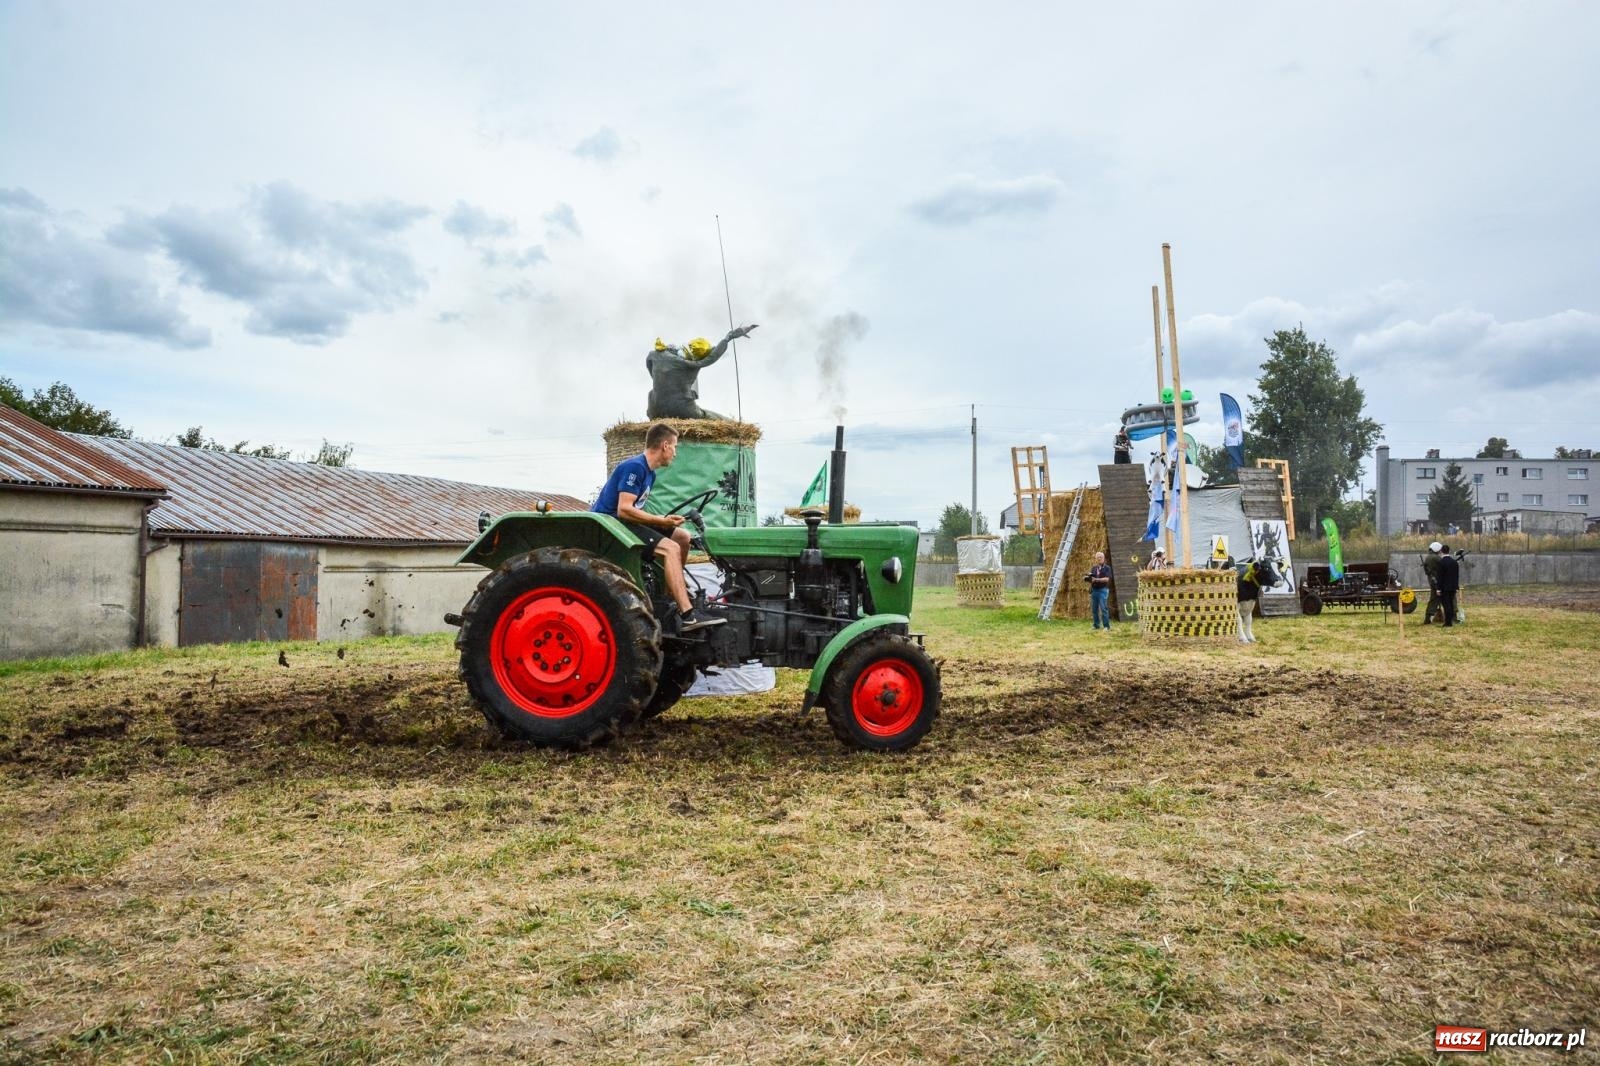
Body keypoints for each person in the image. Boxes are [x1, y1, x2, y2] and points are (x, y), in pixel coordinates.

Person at [592, 422, 724, 632]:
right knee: (671, 548)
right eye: (675, 447)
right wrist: (661, 521)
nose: (675, 452)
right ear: (665, 445)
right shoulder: (635, 467)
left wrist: (665, 520)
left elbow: (635, 509)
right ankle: (688, 615)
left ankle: (673, 591)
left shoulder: (650, 473)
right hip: (613, 526)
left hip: (627, 523)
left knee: (681, 536)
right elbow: (624, 509)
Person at [645, 325, 758, 420]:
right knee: (717, 419)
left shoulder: (655, 354)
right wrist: (728, 337)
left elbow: (649, 364)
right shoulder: (691, 365)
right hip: (684, 411)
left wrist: (661, 381)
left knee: (653, 391)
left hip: (654, 410)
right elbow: (712, 357)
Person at [1436, 543, 1460, 628]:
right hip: (1453, 587)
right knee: (1451, 603)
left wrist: (1438, 589)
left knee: (1446, 605)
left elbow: (1440, 577)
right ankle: (1451, 620)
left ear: (1441, 551)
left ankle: (1448, 622)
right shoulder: (1454, 562)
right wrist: (1456, 587)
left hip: (1444, 587)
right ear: (1449, 551)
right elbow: (1456, 576)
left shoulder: (1441, 562)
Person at [1086, 551, 1113, 630]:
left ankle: (1106, 626)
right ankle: (1096, 625)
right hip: (1094, 590)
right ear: (1096, 559)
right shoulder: (1094, 568)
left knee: (1103, 608)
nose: (1099, 559)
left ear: (1103, 558)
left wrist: (1096, 579)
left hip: (1103, 590)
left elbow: (1107, 579)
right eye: (1097, 557)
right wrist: (1087, 578)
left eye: (1100, 557)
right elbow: (1092, 578)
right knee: (1094, 609)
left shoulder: (1107, 568)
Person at [1422, 541, 1444, 624]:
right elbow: (1444, 565)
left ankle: (1427, 618)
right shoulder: (1436, 558)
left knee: (1433, 599)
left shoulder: (1428, 557)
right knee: (1448, 598)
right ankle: (1452, 616)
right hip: (1437, 581)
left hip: (1432, 581)